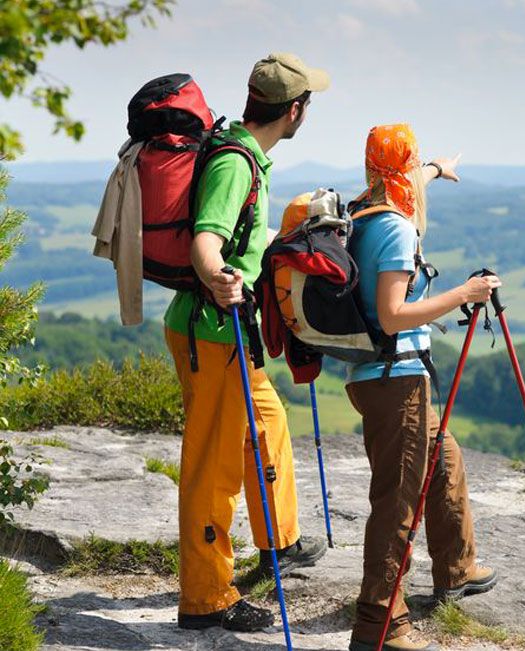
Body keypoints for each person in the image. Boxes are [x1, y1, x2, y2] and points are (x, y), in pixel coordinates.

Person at [163, 53, 331, 632]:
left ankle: (278, 541)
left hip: (230, 331)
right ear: (294, 111)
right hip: (213, 331)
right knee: (213, 465)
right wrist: (219, 277)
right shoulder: (235, 164)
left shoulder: (244, 152)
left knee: (267, 424)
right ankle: (206, 598)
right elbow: (207, 239)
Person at [345, 124, 502, 651]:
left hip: (379, 376)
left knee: (445, 456)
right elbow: (392, 315)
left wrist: (437, 168)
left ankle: (456, 570)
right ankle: (381, 624)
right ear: (401, 170)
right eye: (414, 167)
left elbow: (407, 181)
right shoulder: (394, 229)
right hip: (396, 379)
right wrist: (466, 292)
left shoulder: (364, 208)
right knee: (396, 504)